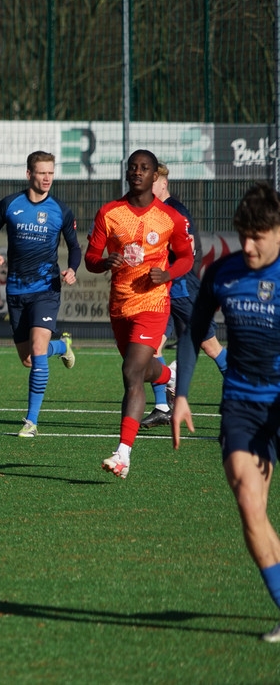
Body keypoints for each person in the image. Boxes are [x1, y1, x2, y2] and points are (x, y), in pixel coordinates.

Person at [172, 182, 280, 642]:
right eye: (244, 236)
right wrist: (181, 394)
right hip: (242, 404)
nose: (249, 246)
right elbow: (195, 329)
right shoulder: (223, 272)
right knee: (250, 504)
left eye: (259, 237)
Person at [84, 149, 194, 479]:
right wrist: (105, 262)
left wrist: (168, 274)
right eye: (133, 167)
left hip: (153, 304)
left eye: (144, 168)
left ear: (154, 176)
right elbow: (90, 258)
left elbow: (186, 257)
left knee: (131, 372)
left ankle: (123, 454)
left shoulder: (169, 217)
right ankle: (168, 375)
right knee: (142, 370)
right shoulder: (109, 213)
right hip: (120, 305)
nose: (137, 172)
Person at [0, 150, 81, 438]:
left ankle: (31, 422)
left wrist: (72, 269)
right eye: (41, 173)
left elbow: (74, 246)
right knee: (28, 359)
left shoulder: (60, 210)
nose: (47, 178)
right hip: (16, 290)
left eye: (51, 172)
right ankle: (61, 347)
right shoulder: (10, 204)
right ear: (29, 174)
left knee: (37, 351)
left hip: (46, 289)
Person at [139, 163, 228, 429]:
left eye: (152, 182)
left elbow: (187, 252)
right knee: (152, 349)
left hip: (182, 289)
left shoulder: (175, 210)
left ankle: (245, 398)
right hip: (161, 292)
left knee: (211, 347)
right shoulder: (152, 211)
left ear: (163, 183)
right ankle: (162, 407)